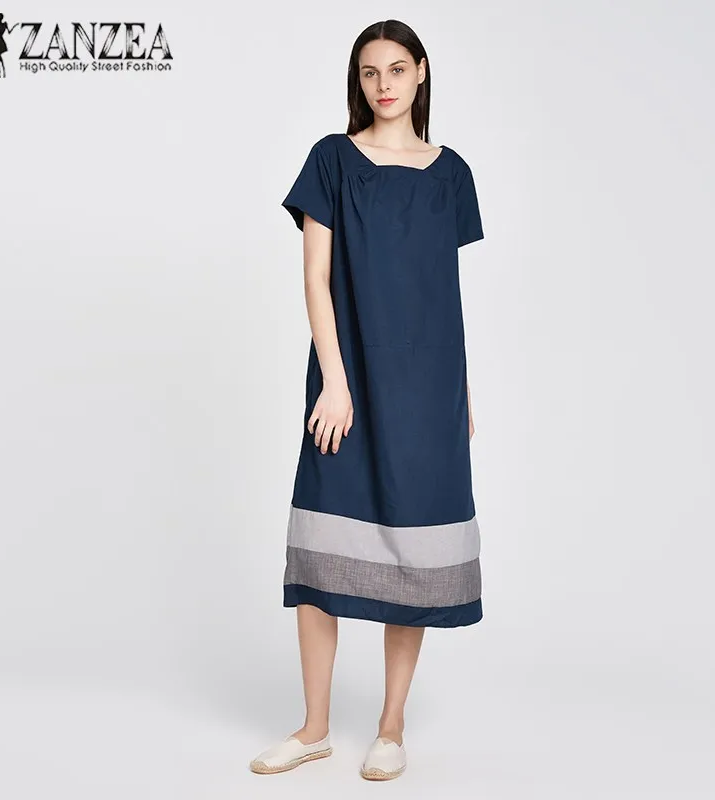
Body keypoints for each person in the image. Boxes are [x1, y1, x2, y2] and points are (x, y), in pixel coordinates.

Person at [250, 19, 485, 781]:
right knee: (319, 557)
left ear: (421, 72)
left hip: (428, 391)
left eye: (396, 69)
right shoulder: (332, 159)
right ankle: (314, 727)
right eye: (369, 72)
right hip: (347, 383)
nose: (383, 84)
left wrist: (462, 393)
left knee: (414, 557)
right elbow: (315, 279)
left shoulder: (451, 174)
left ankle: (390, 726)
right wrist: (335, 380)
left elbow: (443, 294)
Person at [0, 13, 19, 79]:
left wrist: (15, 26)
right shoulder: (1, 25)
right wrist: (14, 26)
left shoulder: (2, 25)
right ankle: (2, 71)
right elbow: (9, 32)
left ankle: (1, 72)